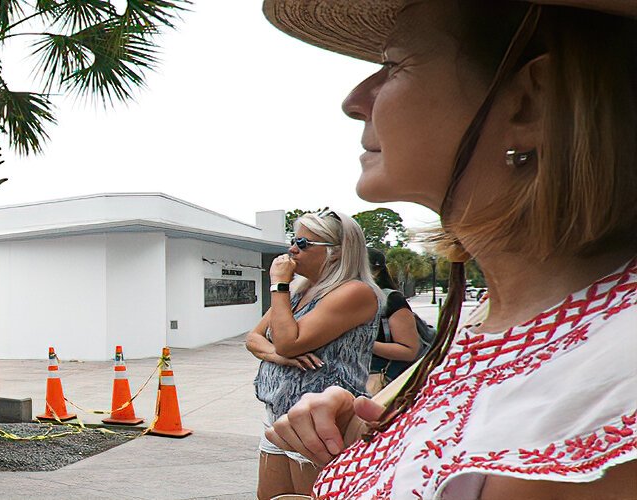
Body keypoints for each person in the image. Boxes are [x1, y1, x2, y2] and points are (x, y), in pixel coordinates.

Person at [260, 1, 637, 498]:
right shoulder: (489, 320)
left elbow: (282, 341)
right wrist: (376, 440)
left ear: (530, 102)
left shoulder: (606, 389)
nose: (355, 99)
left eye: (394, 65)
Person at [245, 211, 381, 498]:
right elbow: (254, 339)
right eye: (293, 240)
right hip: (278, 414)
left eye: (303, 243)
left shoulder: (354, 291)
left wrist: (278, 284)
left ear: (335, 252)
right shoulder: (299, 292)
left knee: (310, 496)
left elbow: (288, 342)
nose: (292, 249)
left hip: (319, 421)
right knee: (271, 496)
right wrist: (279, 357)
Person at [365, 248, 424, 394]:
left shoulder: (391, 300)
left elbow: (409, 350)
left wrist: (361, 342)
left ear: (376, 271)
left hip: (379, 379)